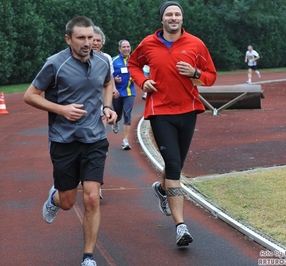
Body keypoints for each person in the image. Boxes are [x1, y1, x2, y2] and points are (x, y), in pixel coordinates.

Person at [23, 16, 117, 266]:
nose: (87, 43)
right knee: (67, 202)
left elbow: (107, 84)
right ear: (68, 39)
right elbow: (30, 96)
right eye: (81, 38)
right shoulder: (55, 63)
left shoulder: (102, 62)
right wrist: (61, 109)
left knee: (91, 197)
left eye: (90, 37)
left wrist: (107, 107)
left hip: (95, 138)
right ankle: (54, 197)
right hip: (64, 140)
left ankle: (88, 257)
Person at [128, 1, 217, 247]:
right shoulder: (148, 44)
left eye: (177, 14)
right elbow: (133, 64)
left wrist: (195, 73)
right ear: (162, 19)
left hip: (188, 111)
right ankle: (181, 227)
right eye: (169, 14)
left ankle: (161, 188)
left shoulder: (196, 44)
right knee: (175, 166)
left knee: (175, 164)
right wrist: (142, 81)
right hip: (160, 112)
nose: (174, 17)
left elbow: (211, 76)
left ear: (182, 18)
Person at [92, 25, 119, 200]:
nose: (95, 43)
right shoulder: (78, 57)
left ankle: (96, 183)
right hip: (84, 107)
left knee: (99, 142)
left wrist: (114, 91)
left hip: (101, 106)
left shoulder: (106, 58)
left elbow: (109, 80)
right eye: (92, 39)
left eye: (98, 40)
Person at [112, 39, 136, 150]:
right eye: (124, 47)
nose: (126, 49)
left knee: (127, 114)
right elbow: (108, 75)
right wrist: (114, 79)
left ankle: (125, 141)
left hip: (129, 92)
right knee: (118, 113)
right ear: (119, 49)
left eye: (128, 47)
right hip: (117, 93)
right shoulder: (113, 60)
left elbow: (141, 72)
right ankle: (116, 121)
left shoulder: (135, 60)